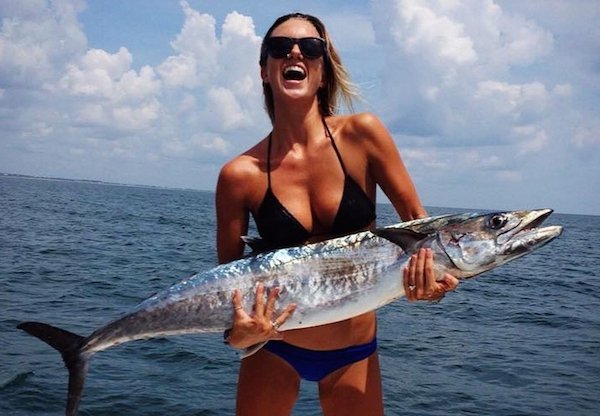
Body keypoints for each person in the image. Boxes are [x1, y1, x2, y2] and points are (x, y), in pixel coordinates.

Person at [215, 12, 459, 416]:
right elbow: (226, 286)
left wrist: (432, 288)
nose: (295, 53)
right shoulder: (239, 175)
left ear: (324, 70)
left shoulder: (364, 135)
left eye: (311, 48)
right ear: (264, 71)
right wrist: (237, 336)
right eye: (280, 47)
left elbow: (424, 236)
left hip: (354, 351)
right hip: (273, 347)